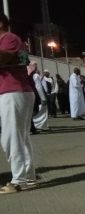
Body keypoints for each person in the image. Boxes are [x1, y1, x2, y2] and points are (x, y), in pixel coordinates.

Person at [0, 14, 37, 194]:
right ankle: (28, 176)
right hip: (14, 91)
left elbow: (4, 58)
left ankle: (18, 180)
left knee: (11, 137)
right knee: (19, 137)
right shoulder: (12, 39)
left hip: (14, 91)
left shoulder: (8, 38)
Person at [28, 63, 49, 131]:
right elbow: (38, 87)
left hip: (30, 94)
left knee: (31, 111)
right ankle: (38, 125)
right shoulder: (35, 75)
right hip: (36, 95)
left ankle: (33, 126)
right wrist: (43, 98)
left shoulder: (28, 75)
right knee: (36, 111)